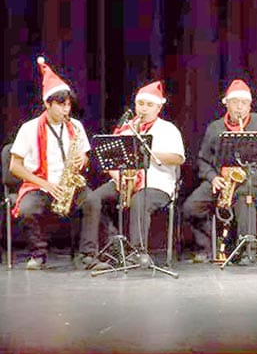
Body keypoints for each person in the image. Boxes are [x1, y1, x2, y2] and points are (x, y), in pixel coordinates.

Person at [9, 56, 106, 270]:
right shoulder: (29, 128)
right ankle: (38, 254)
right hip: (41, 183)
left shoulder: (76, 127)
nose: (66, 110)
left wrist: (84, 160)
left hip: (69, 184)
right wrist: (45, 184)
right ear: (47, 104)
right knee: (26, 209)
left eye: (69, 104)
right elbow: (14, 166)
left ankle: (88, 255)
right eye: (61, 105)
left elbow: (85, 158)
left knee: (92, 201)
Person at [182, 79, 257, 263]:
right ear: (226, 104)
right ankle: (210, 247)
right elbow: (203, 160)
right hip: (222, 180)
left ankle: (247, 250)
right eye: (235, 103)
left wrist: (249, 176)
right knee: (190, 207)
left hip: (252, 179)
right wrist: (213, 177)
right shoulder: (215, 128)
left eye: (244, 103)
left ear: (250, 105)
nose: (239, 107)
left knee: (243, 195)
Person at [89, 81, 185, 254]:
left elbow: (178, 158)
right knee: (92, 200)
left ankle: (137, 252)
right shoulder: (126, 129)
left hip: (156, 183)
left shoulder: (168, 129)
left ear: (158, 108)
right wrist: (118, 178)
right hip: (124, 180)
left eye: (149, 105)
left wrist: (147, 153)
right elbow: (111, 158)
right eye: (140, 104)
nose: (144, 109)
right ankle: (111, 243)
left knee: (139, 202)